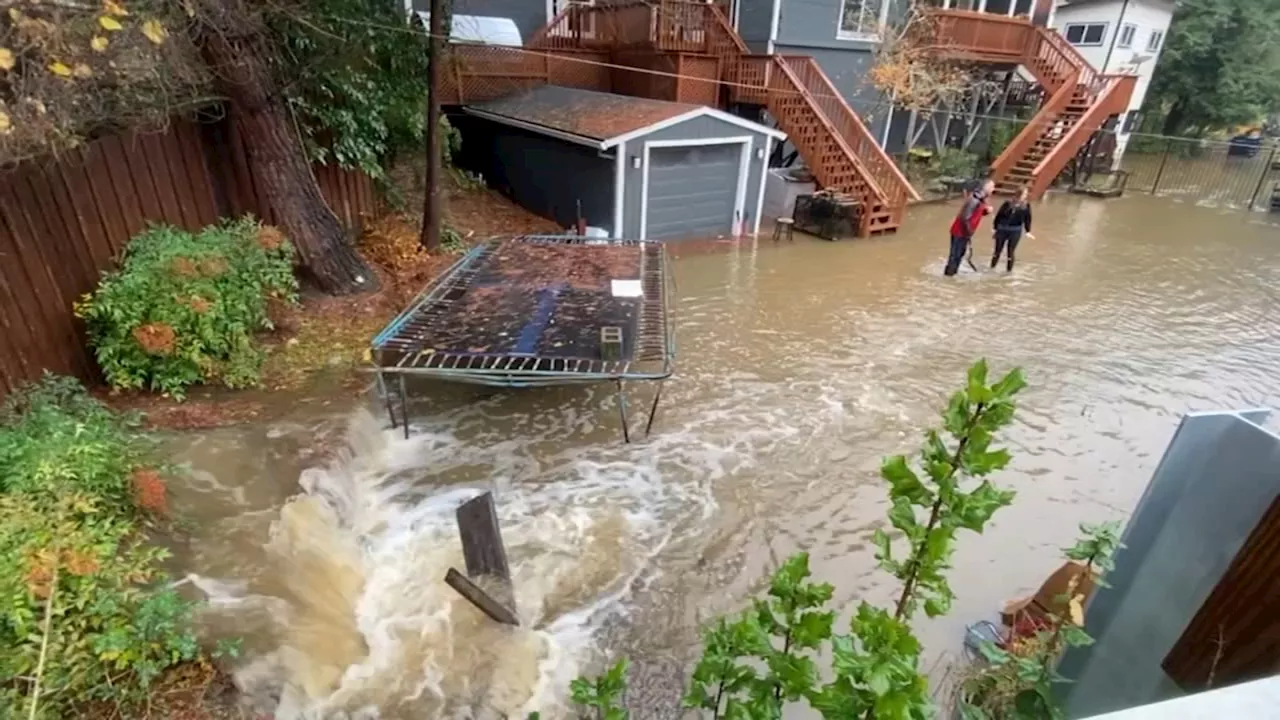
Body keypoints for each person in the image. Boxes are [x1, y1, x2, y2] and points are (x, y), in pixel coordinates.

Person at [945, 179, 994, 276]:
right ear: (986, 187)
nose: (993, 189)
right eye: (992, 187)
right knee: (955, 256)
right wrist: (969, 233)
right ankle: (948, 276)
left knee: (959, 255)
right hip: (959, 232)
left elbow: (974, 214)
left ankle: (953, 275)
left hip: (964, 232)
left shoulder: (980, 199)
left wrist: (985, 212)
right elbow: (965, 218)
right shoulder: (974, 199)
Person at [991, 187, 1035, 272]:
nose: (1025, 195)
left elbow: (1028, 219)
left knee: (1010, 252)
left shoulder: (1026, 205)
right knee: (997, 251)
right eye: (1024, 194)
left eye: (1026, 194)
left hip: (1015, 230)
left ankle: (1008, 271)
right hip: (1002, 229)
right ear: (1019, 194)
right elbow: (999, 216)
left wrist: (1028, 231)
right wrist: (995, 228)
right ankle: (992, 268)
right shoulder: (1007, 203)